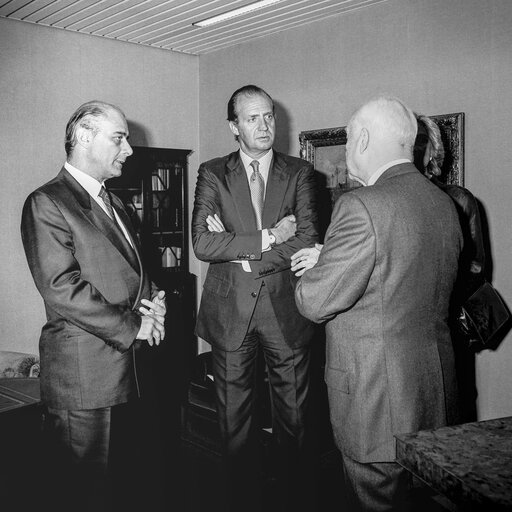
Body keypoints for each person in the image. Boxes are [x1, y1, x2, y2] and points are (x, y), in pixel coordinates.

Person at [292, 96, 462, 511]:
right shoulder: (443, 203)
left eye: (348, 140)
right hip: (431, 393)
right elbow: (400, 277)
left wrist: (321, 265)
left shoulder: (361, 204)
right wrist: (337, 260)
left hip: (376, 404)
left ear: (363, 138)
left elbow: (314, 302)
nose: (348, 150)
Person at [21, 100, 167, 512]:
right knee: (83, 495)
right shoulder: (47, 202)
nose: (129, 150)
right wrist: (133, 326)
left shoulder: (115, 202)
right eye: (119, 138)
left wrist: (154, 305)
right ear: (84, 137)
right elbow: (60, 287)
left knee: (124, 488)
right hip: (84, 383)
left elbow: (136, 269)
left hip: (129, 376)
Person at [192, 84, 319, 511]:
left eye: (268, 116)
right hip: (230, 313)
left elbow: (306, 239)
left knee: (296, 421)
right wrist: (268, 236)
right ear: (233, 126)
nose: (264, 126)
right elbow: (203, 244)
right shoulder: (212, 172)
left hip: (287, 311)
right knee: (233, 423)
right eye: (252, 118)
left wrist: (245, 254)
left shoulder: (300, 173)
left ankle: (292, 498)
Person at [414, 113, 486, 421]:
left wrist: (439, 299)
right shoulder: (385, 201)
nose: (414, 150)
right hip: (406, 331)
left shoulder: (459, 199)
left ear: (433, 151)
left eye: (420, 142)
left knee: (455, 408)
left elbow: (478, 268)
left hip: (450, 328)